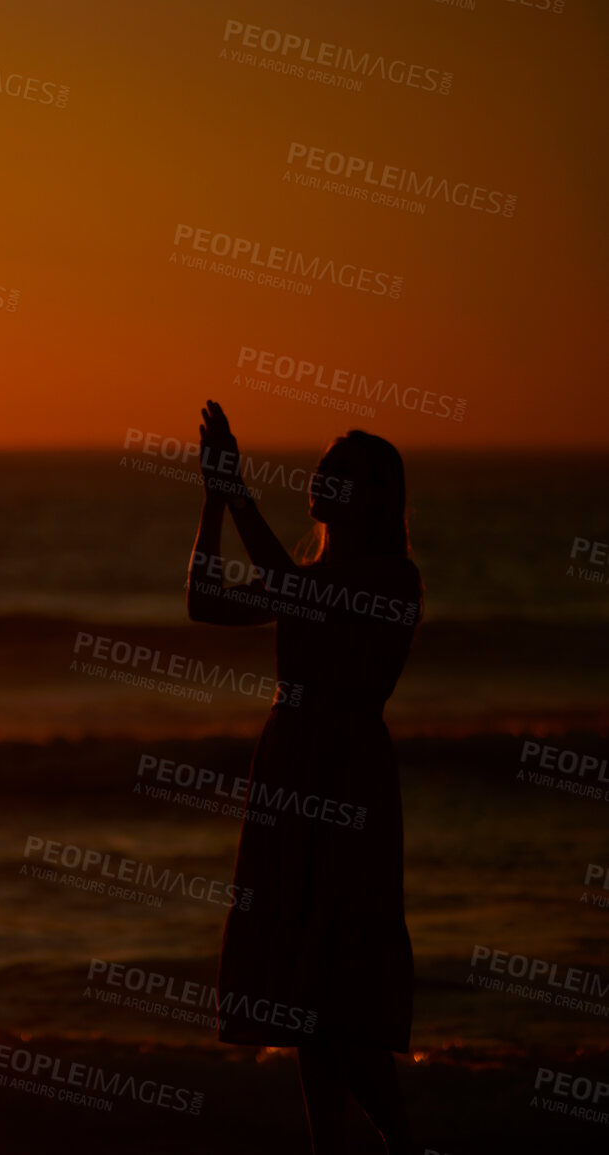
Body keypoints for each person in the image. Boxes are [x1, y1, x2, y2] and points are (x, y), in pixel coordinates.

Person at [184, 401, 422, 1155]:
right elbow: (204, 601)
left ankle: (406, 1143)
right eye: (324, 467)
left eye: (344, 472)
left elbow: (296, 597)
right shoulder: (310, 574)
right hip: (287, 767)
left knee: (336, 988)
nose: (324, 479)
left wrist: (240, 492)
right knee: (301, 994)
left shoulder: (390, 577)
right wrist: (215, 500)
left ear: (379, 495)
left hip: (345, 781)